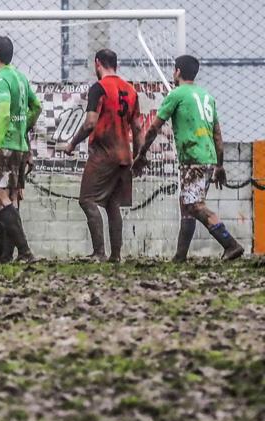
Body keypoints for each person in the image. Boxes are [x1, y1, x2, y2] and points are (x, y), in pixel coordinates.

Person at [132, 55, 244, 261]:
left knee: (194, 205)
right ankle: (180, 256)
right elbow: (217, 134)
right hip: (208, 157)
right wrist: (220, 165)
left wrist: (141, 154)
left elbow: (153, 128)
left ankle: (230, 244)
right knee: (186, 207)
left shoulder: (177, 94)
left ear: (177, 72)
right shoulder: (207, 96)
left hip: (194, 158)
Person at [65, 49, 143, 263]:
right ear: (115, 64)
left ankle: (99, 252)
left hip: (104, 154)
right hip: (124, 156)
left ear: (97, 63)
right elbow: (137, 128)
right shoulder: (131, 90)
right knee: (112, 204)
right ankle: (116, 255)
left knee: (87, 200)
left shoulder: (98, 88)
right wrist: (139, 157)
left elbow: (90, 123)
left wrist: (72, 143)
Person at [0, 36, 42, 263]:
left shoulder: (1, 80)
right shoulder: (20, 77)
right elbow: (36, 107)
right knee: (11, 197)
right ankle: (9, 255)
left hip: (6, 145)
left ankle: (26, 252)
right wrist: (22, 127)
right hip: (19, 144)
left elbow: (4, 111)